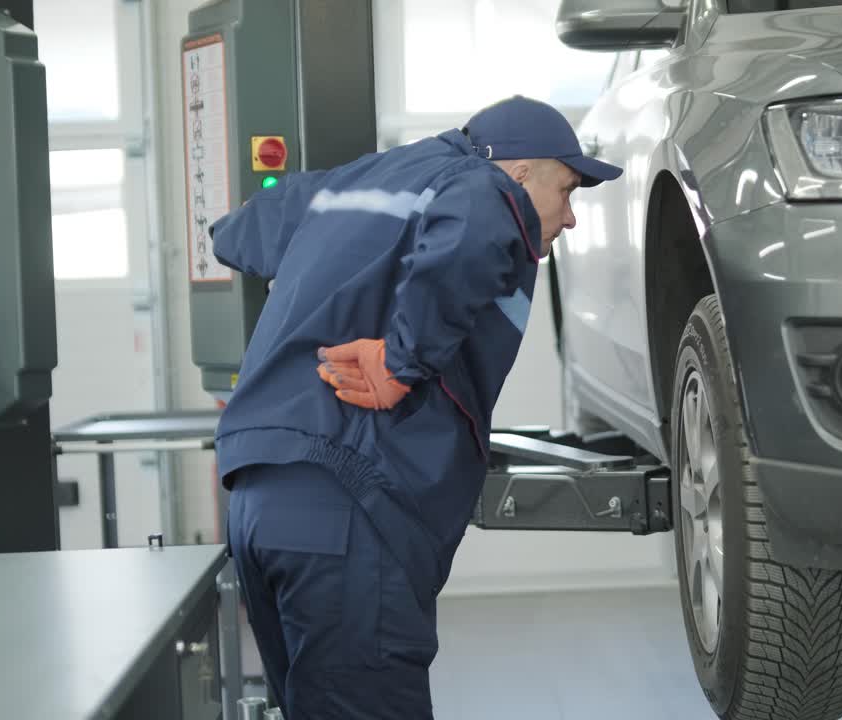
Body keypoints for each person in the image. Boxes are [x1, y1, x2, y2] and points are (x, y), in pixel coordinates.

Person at [209, 95, 622, 719]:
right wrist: (404, 364)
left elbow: (236, 231)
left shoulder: (350, 186)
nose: (569, 218)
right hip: (349, 504)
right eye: (566, 190)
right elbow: (478, 218)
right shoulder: (481, 187)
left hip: (257, 502)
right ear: (518, 171)